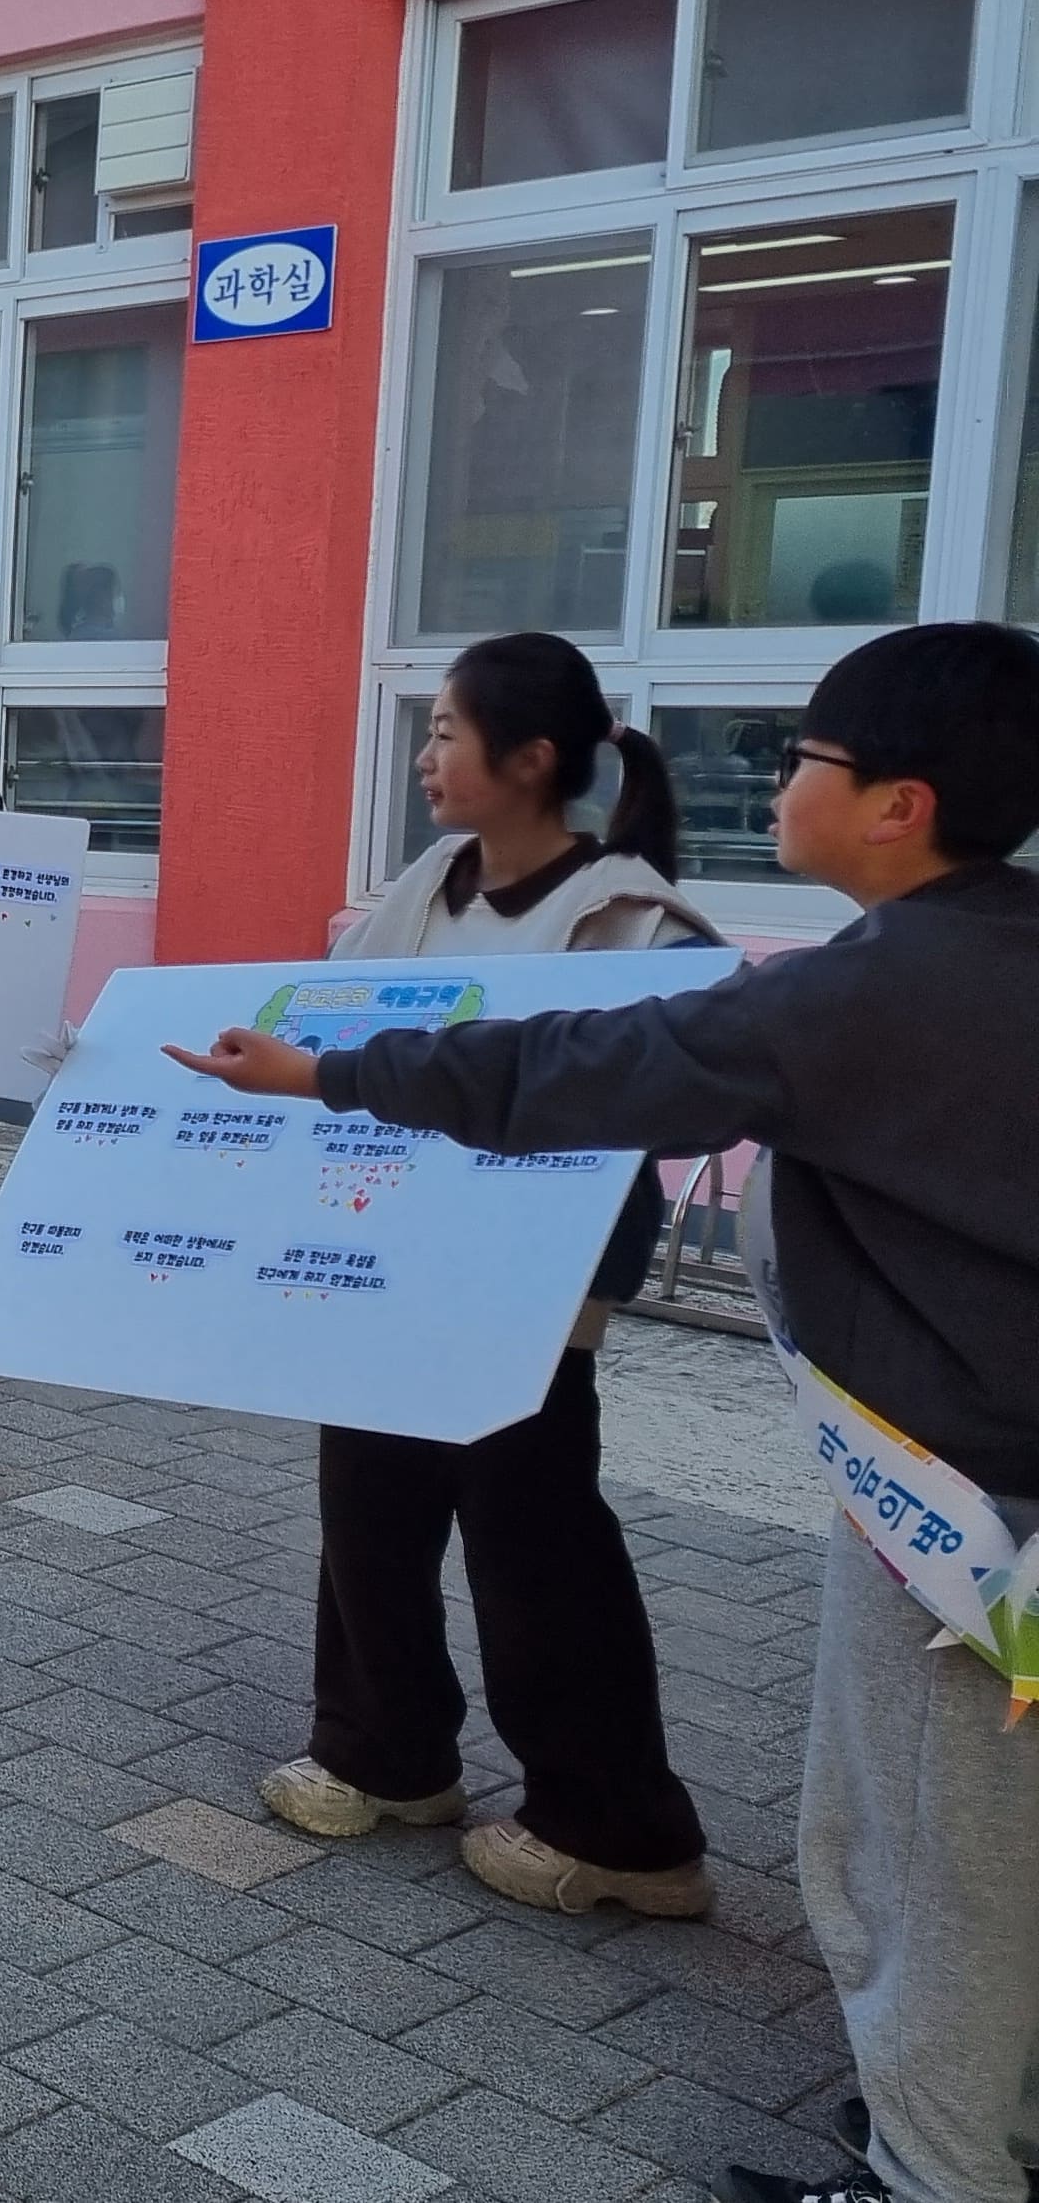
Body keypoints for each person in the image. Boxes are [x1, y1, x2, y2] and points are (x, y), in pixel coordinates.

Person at [166, 622, 1039, 2203]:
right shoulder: (970, 956)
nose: (780, 786)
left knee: (932, 1846)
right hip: (428, 1297)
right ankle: (388, 1751)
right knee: (372, 1522)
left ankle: (931, 2156)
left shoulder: (793, 968)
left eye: (807, 763)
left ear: (899, 803)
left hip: (962, 1512)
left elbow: (595, 1068)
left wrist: (324, 1080)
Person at [251, 632, 724, 1922]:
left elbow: (671, 1109)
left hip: (530, 1294)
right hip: (392, 1259)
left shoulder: (629, 913)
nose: (426, 754)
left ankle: (619, 1828)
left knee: (534, 1543)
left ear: (530, 760)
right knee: (369, 1509)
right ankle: (384, 1754)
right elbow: (330, 1021)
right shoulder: (431, 881)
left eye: (449, 731)